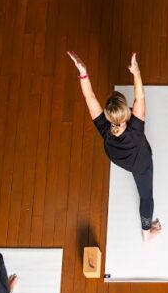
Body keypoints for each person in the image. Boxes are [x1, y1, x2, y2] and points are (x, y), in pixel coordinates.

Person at [67, 50, 162, 241]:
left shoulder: (105, 127)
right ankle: (147, 233)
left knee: (144, 189)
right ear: (126, 112)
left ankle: (147, 231)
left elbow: (90, 98)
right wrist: (136, 73)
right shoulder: (135, 129)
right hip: (140, 164)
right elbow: (140, 97)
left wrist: (83, 73)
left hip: (119, 156)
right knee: (146, 196)